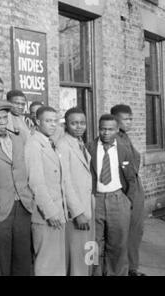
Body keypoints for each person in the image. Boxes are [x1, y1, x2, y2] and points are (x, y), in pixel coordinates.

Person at [0, 101, 33, 276]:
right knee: (1, 262)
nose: (3, 121)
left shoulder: (18, 139)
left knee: (23, 260)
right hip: (1, 209)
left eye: (5, 117)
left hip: (23, 207)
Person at [86, 114, 137, 276]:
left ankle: (116, 273)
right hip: (95, 199)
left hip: (118, 198)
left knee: (118, 244)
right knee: (93, 243)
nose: (105, 133)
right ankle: (93, 272)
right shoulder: (89, 148)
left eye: (110, 129)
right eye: (102, 129)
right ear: (98, 128)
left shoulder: (125, 149)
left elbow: (131, 177)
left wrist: (127, 200)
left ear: (116, 130)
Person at [25, 106, 72, 276]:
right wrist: (51, 212)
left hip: (57, 212)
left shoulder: (48, 142)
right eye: (48, 121)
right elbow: (36, 182)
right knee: (46, 265)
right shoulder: (34, 144)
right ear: (37, 122)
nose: (53, 125)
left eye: (55, 121)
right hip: (45, 216)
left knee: (55, 265)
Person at [56, 107, 94, 276]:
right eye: (74, 123)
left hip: (88, 207)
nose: (79, 127)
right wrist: (77, 212)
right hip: (77, 212)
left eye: (82, 123)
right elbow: (65, 181)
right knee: (78, 258)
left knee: (88, 254)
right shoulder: (63, 145)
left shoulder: (80, 143)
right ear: (66, 124)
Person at [111, 104, 146, 276]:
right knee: (125, 232)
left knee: (135, 231)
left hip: (135, 187)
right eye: (126, 118)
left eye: (131, 118)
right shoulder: (114, 140)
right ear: (115, 120)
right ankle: (126, 269)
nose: (130, 122)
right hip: (127, 190)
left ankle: (132, 267)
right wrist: (128, 196)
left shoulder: (125, 137)